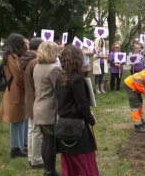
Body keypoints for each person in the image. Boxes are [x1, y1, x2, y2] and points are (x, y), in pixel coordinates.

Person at [56, 45, 99, 176]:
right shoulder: (76, 78)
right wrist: (91, 119)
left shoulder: (61, 77)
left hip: (63, 122)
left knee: (70, 162)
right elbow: (82, 105)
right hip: (76, 125)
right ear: (77, 59)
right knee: (84, 161)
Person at [0, 33, 28, 159]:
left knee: (20, 119)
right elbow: (19, 77)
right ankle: (15, 148)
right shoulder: (12, 57)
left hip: (17, 91)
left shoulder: (13, 56)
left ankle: (20, 145)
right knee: (16, 121)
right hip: (15, 91)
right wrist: (28, 87)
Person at [33, 42, 62, 176]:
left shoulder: (37, 66)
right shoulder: (54, 69)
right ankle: (50, 171)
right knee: (50, 140)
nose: (58, 54)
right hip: (48, 109)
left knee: (46, 139)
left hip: (38, 107)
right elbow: (59, 89)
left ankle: (47, 169)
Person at [20, 37, 44, 169]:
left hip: (29, 97)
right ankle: (36, 160)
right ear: (39, 48)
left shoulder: (27, 59)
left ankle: (32, 157)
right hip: (35, 98)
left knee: (31, 130)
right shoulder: (35, 62)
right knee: (37, 131)